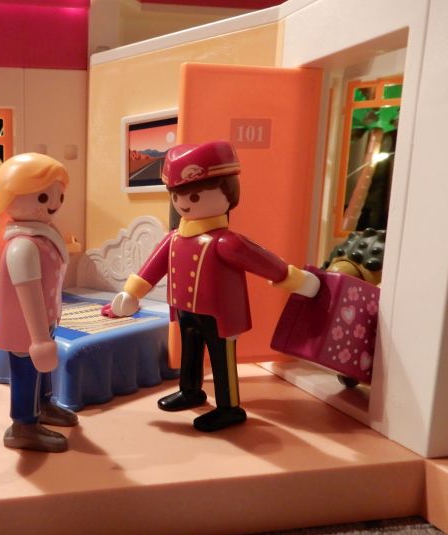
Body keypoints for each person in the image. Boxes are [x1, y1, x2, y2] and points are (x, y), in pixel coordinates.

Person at [111, 141, 320, 432]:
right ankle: (190, 390)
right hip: (185, 309)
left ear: (228, 193)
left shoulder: (226, 242)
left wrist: (297, 280)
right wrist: (131, 293)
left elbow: (265, 262)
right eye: (176, 195)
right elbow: (152, 269)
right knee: (190, 352)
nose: (183, 203)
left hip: (219, 315)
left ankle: (229, 407)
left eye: (194, 196)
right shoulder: (174, 238)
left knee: (222, 360)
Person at [0, 153, 79, 452]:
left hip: (44, 320)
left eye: (59, 197)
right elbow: (27, 293)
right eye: (43, 197)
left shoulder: (40, 236)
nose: (53, 205)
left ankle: (43, 404)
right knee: (26, 371)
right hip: (26, 327)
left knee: (41, 370)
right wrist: (39, 338)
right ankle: (23, 424)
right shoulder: (23, 246)